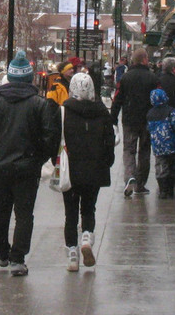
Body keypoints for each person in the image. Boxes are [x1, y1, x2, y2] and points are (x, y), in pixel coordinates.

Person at [0, 49, 60, 277]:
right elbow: (49, 137)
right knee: (24, 214)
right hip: (27, 167)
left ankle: (1, 252)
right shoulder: (39, 104)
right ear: (29, 78)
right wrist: (38, 158)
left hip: (1, 167)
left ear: (11, 77)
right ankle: (18, 258)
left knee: (0, 211)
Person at [60, 71, 115, 271]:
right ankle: (86, 237)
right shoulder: (102, 112)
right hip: (94, 169)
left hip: (71, 170)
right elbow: (110, 141)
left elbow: (56, 140)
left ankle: (72, 255)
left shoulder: (64, 112)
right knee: (89, 208)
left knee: (70, 213)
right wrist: (107, 162)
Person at [109, 47, 160, 197]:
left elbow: (117, 98)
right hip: (147, 120)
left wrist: (113, 119)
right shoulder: (153, 78)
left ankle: (129, 176)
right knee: (144, 151)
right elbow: (158, 98)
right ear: (144, 60)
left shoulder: (126, 77)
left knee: (129, 150)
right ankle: (140, 183)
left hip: (130, 120)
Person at [146, 88, 175, 199]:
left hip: (157, 146)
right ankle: (170, 189)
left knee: (160, 166)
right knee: (172, 165)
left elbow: (148, 129)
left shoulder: (150, 113)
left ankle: (162, 189)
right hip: (172, 144)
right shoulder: (171, 111)